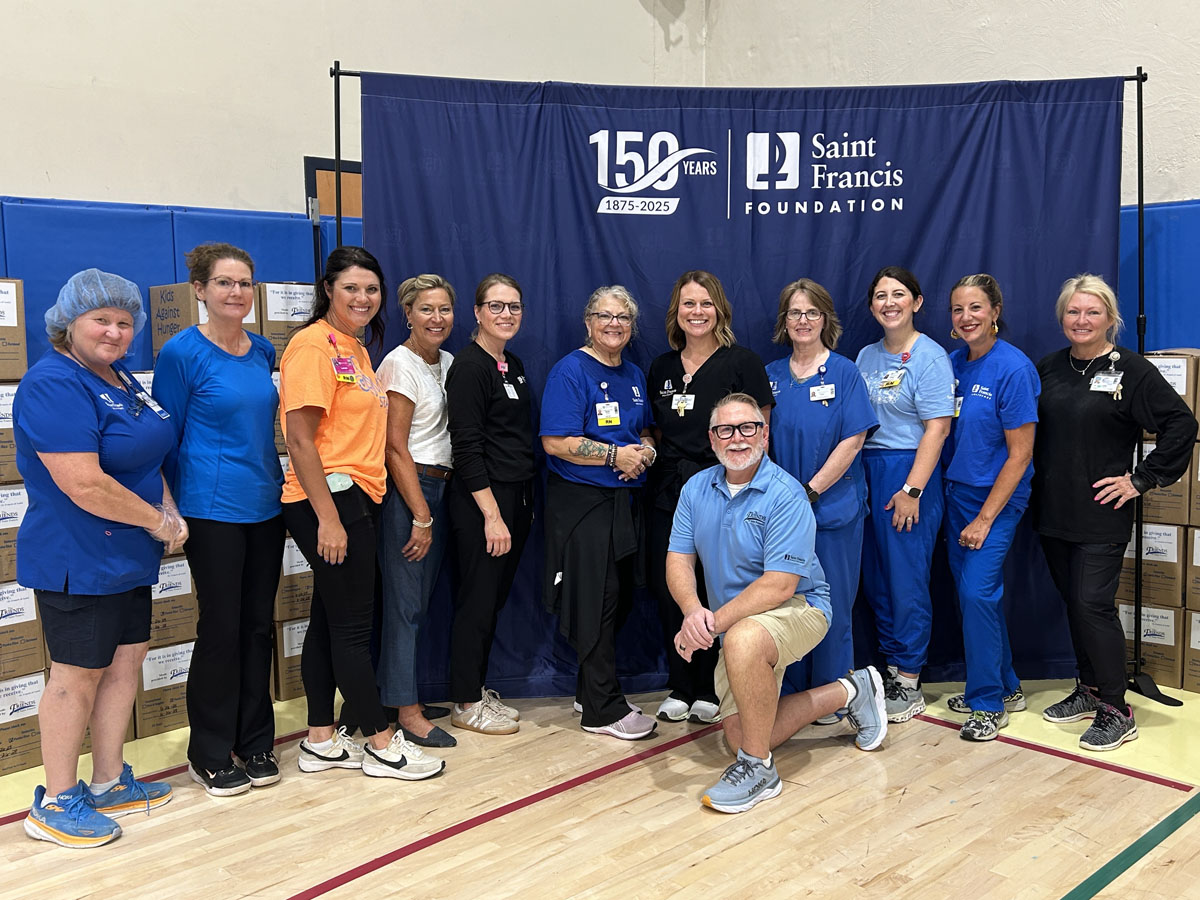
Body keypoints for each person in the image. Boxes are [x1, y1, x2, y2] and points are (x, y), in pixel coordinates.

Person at [16, 269, 179, 847]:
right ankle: (56, 801)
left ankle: (109, 780)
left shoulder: (121, 379)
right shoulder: (53, 383)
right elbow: (83, 483)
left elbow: (145, 454)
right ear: (68, 323)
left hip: (129, 552)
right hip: (77, 555)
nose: (115, 330)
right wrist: (158, 521)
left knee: (124, 664)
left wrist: (168, 510)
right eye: (101, 320)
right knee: (74, 677)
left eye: (124, 321)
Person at [667, 393, 887, 814]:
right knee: (743, 734)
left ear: (764, 435)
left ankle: (759, 771)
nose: (737, 438)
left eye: (748, 428)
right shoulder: (697, 488)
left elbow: (779, 587)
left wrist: (709, 627)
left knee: (743, 640)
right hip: (732, 620)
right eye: (725, 430)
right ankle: (850, 690)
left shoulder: (787, 494)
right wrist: (693, 612)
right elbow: (678, 558)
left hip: (802, 607)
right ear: (712, 440)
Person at [281, 246, 443, 780]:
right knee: (353, 630)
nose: (363, 298)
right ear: (328, 289)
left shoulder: (351, 346)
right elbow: (301, 440)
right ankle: (380, 742)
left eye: (371, 289)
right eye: (351, 287)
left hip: (357, 495)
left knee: (330, 624)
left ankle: (320, 738)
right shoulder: (310, 347)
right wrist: (328, 518)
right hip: (329, 498)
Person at [1033, 274, 1197, 751]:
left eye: (1092, 312)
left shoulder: (1132, 370)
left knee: (1093, 605)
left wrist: (1140, 479)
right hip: (1052, 511)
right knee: (1074, 605)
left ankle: (1116, 708)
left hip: (1101, 514)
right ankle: (1087, 689)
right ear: (1062, 316)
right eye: (1073, 312)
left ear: (1110, 318)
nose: (1081, 321)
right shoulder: (1048, 368)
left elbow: (1180, 424)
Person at [153, 243, 286, 795]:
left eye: (244, 283)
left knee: (257, 628)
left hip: (266, 506)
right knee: (221, 628)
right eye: (225, 283)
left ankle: (254, 740)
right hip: (210, 511)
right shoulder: (181, 353)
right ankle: (208, 750)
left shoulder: (262, 350)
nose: (236, 293)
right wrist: (166, 506)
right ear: (201, 291)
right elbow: (164, 437)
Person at [646, 271, 773, 726]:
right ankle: (681, 685)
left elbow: (761, 432)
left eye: (705, 303)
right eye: (687, 304)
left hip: (727, 488)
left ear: (719, 309)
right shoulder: (661, 367)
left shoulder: (743, 362)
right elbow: (656, 432)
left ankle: (713, 688)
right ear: (675, 312)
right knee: (672, 589)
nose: (696, 312)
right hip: (669, 490)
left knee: (718, 587)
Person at [541, 286, 659, 740]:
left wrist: (644, 452)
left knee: (620, 601)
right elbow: (556, 441)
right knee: (596, 604)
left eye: (623, 318)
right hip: (583, 504)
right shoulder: (570, 372)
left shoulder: (631, 373)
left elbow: (645, 430)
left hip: (625, 503)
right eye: (604, 316)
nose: (615, 324)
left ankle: (588, 691)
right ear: (587, 322)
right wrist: (615, 457)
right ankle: (602, 710)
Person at [765, 279, 877, 704]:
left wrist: (808, 492)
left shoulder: (845, 372)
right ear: (784, 321)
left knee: (832, 606)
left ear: (825, 318)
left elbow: (853, 440)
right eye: (795, 313)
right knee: (784, 604)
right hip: (780, 516)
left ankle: (833, 696)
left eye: (812, 312)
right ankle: (787, 695)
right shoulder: (771, 375)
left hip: (833, 510)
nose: (803, 321)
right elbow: (760, 439)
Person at [855, 266, 955, 723]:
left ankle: (910, 678)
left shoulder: (931, 357)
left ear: (916, 302)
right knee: (876, 578)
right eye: (880, 295)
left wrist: (912, 489)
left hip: (909, 472)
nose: (889, 302)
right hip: (868, 470)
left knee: (906, 579)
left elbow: (938, 427)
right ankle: (891, 667)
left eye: (899, 295)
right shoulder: (865, 357)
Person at [941, 275, 1038, 741]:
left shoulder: (1013, 369)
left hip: (995, 501)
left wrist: (985, 518)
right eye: (958, 310)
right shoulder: (955, 363)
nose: (966, 318)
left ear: (995, 310)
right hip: (957, 494)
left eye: (976, 308)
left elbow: (1020, 455)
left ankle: (986, 703)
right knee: (975, 596)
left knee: (977, 593)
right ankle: (1006, 686)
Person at [445, 273, 534, 734]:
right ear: (477, 313)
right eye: (496, 306)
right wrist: (493, 516)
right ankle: (463, 702)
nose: (506, 314)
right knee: (476, 603)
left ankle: (476, 690)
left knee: (491, 601)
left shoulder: (510, 363)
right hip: (484, 503)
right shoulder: (470, 366)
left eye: (514, 306)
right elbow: (467, 448)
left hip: (515, 496)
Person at [374, 274, 458, 749]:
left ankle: (404, 695)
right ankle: (405, 711)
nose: (436, 318)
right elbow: (394, 447)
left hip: (443, 486)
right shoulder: (398, 364)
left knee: (420, 601)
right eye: (426, 309)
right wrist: (421, 515)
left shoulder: (447, 362)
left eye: (444, 309)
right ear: (407, 313)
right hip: (411, 490)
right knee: (404, 605)